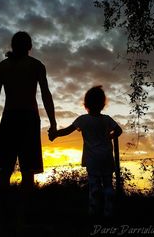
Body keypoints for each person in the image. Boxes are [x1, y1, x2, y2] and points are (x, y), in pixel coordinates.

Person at [0, 31, 56, 192]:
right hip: (28, 118)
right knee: (28, 170)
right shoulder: (35, 65)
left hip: (11, 118)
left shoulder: (3, 66)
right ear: (30, 47)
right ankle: (24, 211)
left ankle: (4, 212)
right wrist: (53, 122)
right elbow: (46, 94)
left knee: (5, 169)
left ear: (12, 45)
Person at [49, 86, 122, 217]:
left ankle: (93, 212)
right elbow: (119, 131)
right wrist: (110, 136)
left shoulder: (83, 120)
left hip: (93, 159)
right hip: (106, 157)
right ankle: (109, 212)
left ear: (86, 104)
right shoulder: (107, 119)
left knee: (94, 185)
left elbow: (67, 130)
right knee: (108, 184)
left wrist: (55, 134)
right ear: (103, 104)